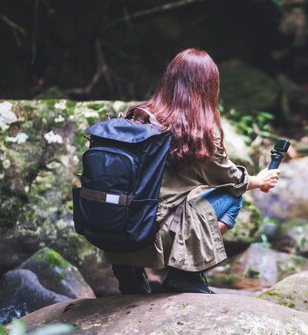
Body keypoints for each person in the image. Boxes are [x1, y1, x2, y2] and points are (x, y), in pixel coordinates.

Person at [105, 48, 281, 294]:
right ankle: (184, 273)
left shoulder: (138, 117)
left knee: (173, 198)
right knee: (234, 198)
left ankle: (130, 270)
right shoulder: (195, 132)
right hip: (153, 231)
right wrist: (257, 179)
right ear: (207, 87)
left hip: (117, 225)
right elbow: (229, 179)